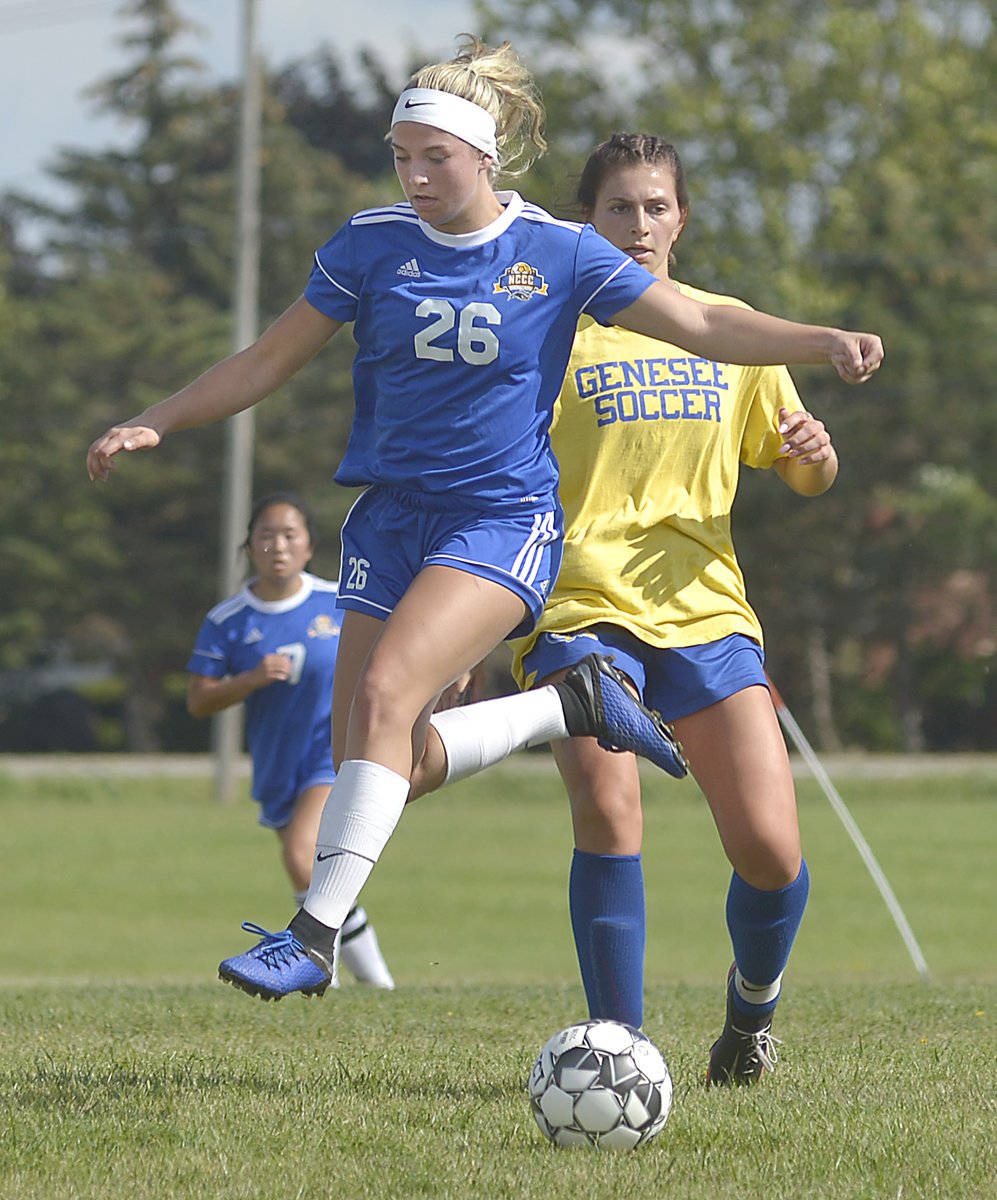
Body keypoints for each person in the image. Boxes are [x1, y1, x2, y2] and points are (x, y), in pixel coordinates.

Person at [86, 35, 882, 1005]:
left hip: (500, 521)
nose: (417, 176)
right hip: (388, 522)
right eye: (402, 155)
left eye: (436, 158)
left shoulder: (559, 251)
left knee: (382, 694)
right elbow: (263, 361)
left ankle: (313, 934)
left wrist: (822, 338)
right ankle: (566, 706)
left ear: (486, 156)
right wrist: (155, 419)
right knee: (375, 760)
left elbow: (706, 325)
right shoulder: (370, 244)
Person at [510, 133, 841, 1085]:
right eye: (619, 208)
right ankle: (622, 1051)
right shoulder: (555, 331)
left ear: (681, 218)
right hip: (578, 607)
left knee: (771, 853)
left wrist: (813, 452)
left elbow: (804, 473)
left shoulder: (727, 327)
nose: (639, 224)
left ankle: (750, 1016)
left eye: (656, 207)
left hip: (704, 612)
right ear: (588, 221)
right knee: (608, 813)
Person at [186, 492, 396, 989]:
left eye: (289, 535)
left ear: (308, 547)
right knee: (317, 873)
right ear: (249, 547)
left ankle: (351, 977)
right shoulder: (229, 620)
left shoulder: (338, 601)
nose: (277, 545)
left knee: (302, 854)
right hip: (277, 764)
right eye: (266, 535)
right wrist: (250, 679)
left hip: (334, 755)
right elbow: (199, 701)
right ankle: (353, 976)